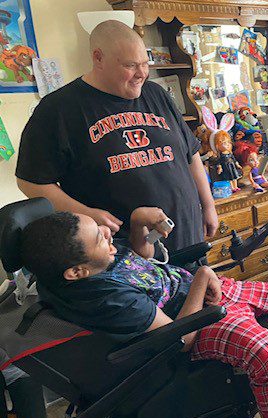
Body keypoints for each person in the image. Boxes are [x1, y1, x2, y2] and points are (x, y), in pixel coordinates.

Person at [20, 207, 268, 418]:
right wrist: (202, 278)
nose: (106, 231)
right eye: (99, 236)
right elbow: (180, 339)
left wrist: (139, 223)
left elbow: (141, 258)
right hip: (193, 322)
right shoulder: (107, 299)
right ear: (77, 272)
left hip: (200, 292)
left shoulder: (95, 260)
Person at [15, 20, 218, 252]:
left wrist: (208, 205)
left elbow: (190, 155)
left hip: (186, 234)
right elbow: (31, 182)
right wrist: (87, 215)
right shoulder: (58, 109)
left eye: (145, 63)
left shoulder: (157, 94)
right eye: (130, 65)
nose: (141, 74)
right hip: (122, 250)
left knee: (201, 287)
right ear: (98, 58)